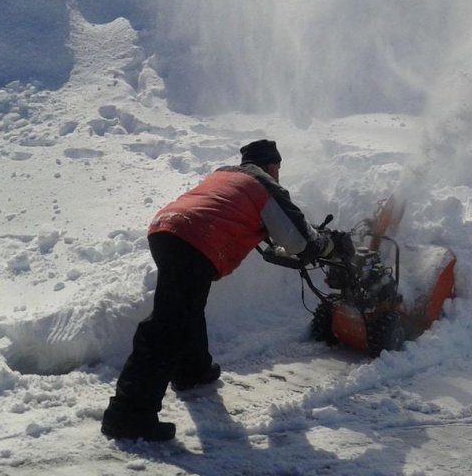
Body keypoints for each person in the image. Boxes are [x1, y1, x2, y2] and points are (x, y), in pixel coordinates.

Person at [101, 140, 333, 441]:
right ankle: (127, 416)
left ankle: (192, 370)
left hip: (166, 227)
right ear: (273, 166)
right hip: (193, 238)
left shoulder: (225, 175)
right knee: (167, 325)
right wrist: (325, 243)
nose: (278, 173)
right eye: (277, 168)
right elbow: (299, 241)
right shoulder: (264, 185)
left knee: (187, 307)